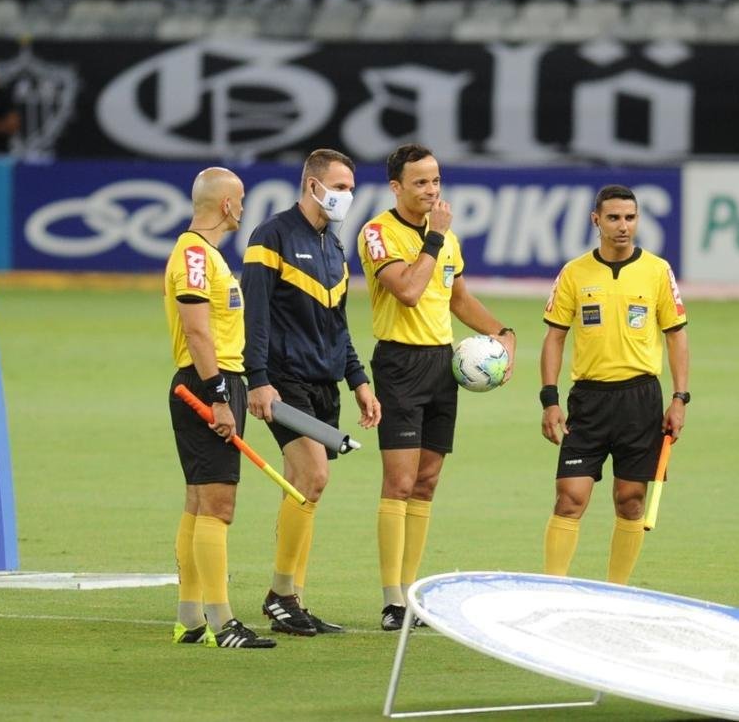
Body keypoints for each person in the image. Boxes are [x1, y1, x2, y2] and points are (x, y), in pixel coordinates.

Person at [358, 143, 517, 630]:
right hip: (400, 364)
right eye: (421, 182)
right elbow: (408, 291)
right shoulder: (378, 233)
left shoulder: (447, 239)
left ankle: (412, 596)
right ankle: (391, 601)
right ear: (396, 187)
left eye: (436, 180)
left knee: (426, 483)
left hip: (441, 365)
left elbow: (458, 297)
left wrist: (502, 332)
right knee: (399, 483)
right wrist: (433, 238)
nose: (431, 190)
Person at [241, 148, 381, 637]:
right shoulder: (271, 237)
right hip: (284, 380)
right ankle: (280, 595)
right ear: (312, 185)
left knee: (308, 485)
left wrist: (358, 380)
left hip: (324, 382)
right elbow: (255, 313)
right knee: (312, 475)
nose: (347, 196)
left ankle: (292, 598)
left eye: (350, 188)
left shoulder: (333, 247)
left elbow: (338, 325)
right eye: (339, 187)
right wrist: (257, 378)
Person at [539, 184, 689, 585]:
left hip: (640, 400)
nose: (623, 226)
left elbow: (676, 336)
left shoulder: (657, 271)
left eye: (630, 217)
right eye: (614, 218)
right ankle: (552, 589)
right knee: (569, 498)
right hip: (588, 401)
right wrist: (550, 399)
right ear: (596, 220)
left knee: (631, 500)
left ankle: (616, 593)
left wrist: (679, 398)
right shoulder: (574, 272)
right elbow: (555, 337)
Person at [165, 167, 274, 649]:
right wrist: (218, 396)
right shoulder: (194, 255)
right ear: (226, 205)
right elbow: (196, 331)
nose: (244, 207)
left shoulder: (204, 255)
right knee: (218, 505)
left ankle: (190, 618)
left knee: (198, 501)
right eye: (241, 199)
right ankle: (223, 621)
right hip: (208, 384)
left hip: (213, 382)